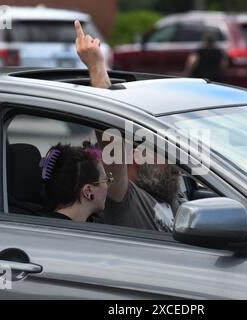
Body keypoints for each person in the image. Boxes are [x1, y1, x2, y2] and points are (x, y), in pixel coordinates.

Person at [74, 20, 184, 232]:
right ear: (132, 154)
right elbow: (109, 132)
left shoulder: (173, 195)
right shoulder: (123, 199)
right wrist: (97, 67)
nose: (174, 162)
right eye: (161, 151)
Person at [40, 141, 113, 222]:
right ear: (88, 191)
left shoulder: (43, 224)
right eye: (106, 180)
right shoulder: (68, 232)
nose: (108, 186)